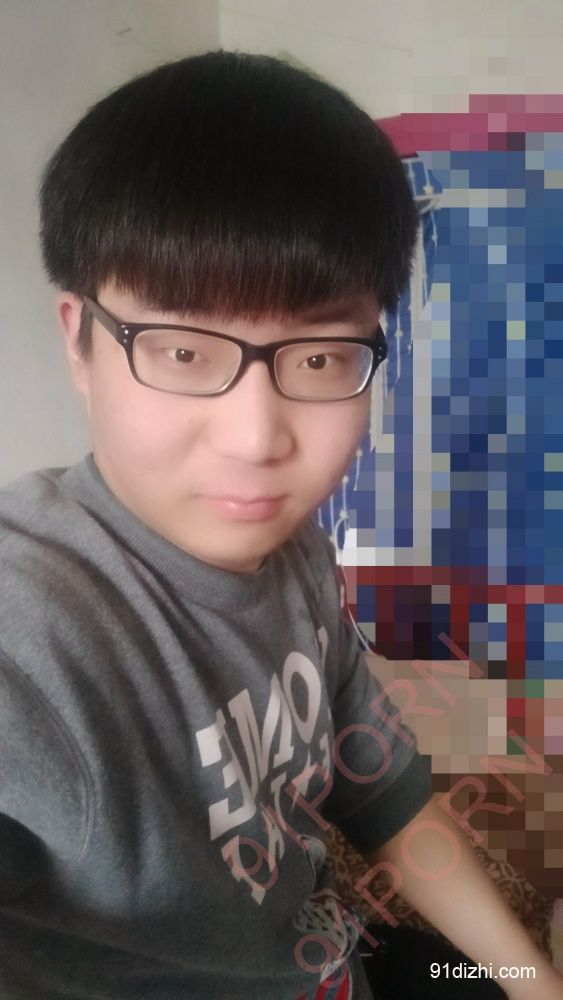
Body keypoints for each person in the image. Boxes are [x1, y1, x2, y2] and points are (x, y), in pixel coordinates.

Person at [0, 50, 560, 1000]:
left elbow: (383, 793)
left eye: (319, 356)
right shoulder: (37, 632)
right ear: (79, 341)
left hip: (336, 962)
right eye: (183, 350)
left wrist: (530, 982)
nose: (258, 440)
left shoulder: (294, 554)